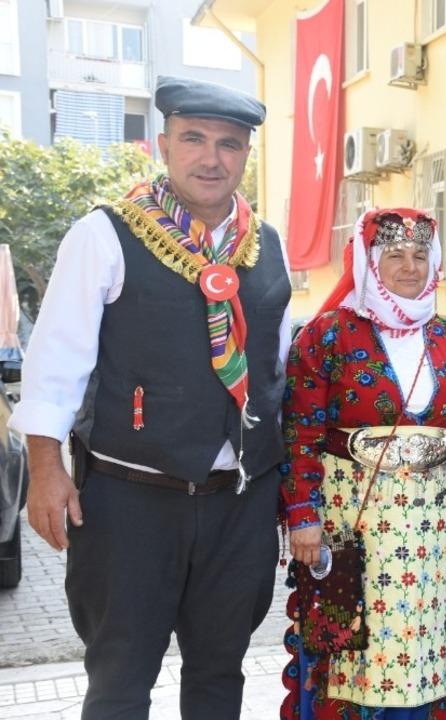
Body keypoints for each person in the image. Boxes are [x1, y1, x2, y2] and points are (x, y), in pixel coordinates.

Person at [11, 75, 291, 718]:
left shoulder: (265, 245)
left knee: (221, 672)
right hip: (130, 501)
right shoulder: (105, 234)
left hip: (237, 503)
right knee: (119, 679)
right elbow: (55, 363)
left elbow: (275, 372)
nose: (211, 157)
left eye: (229, 144)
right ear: (163, 145)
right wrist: (47, 472)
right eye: (194, 139)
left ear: (246, 155)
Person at [280, 207, 446, 719]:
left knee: (427, 650)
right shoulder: (327, 336)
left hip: (434, 541)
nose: (409, 266)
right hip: (353, 530)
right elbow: (300, 433)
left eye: (421, 255)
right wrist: (303, 517)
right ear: (370, 262)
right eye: (394, 255)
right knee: (354, 647)